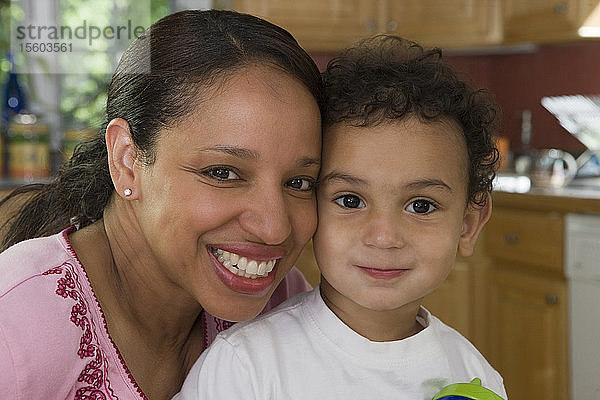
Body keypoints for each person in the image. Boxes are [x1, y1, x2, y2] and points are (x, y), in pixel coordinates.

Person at [0, 9, 324, 400]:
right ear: (126, 160)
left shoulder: (284, 299)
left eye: (299, 183)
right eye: (222, 173)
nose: (275, 229)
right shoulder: (13, 325)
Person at [175, 35, 508, 400]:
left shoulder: (476, 376)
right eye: (350, 200)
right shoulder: (245, 366)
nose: (383, 237)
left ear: (468, 224)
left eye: (421, 206)